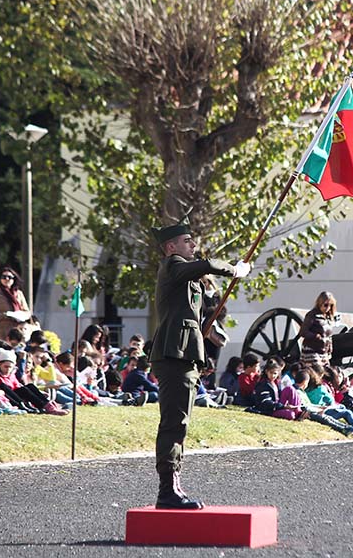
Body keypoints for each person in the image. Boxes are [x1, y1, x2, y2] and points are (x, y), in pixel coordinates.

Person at [148, 217, 250, 510]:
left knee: (180, 422)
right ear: (171, 247)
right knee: (174, 422)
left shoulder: (185, 276)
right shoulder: (173, 266)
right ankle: (167, 491)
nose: (193, 244)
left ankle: (172, 485)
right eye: (186, 240)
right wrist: (234, 269)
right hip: (173, 356)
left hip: (183, 356)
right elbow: (204, 265)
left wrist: (199, 354)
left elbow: (190, 321)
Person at [0, 267, 30, 341]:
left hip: (19, 332)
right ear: (0, 279)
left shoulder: (18, 293)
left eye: (9, 277)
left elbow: (27, 312)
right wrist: (7, 315)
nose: (7, 279)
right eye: (4, 277)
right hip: (3, 333)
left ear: (14, 279)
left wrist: (21, 315)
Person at [300, 291, 337, 371]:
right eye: (325, 305)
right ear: (320, 303)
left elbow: (329, 336)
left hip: (324, 352)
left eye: (330, 305)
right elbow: (303, 331)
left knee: (326, 372)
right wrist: (315, 336)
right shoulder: (312, 315)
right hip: (312, 350)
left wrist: (330, 349)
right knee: (316, 371)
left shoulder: (328, 318)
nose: (328, 308)